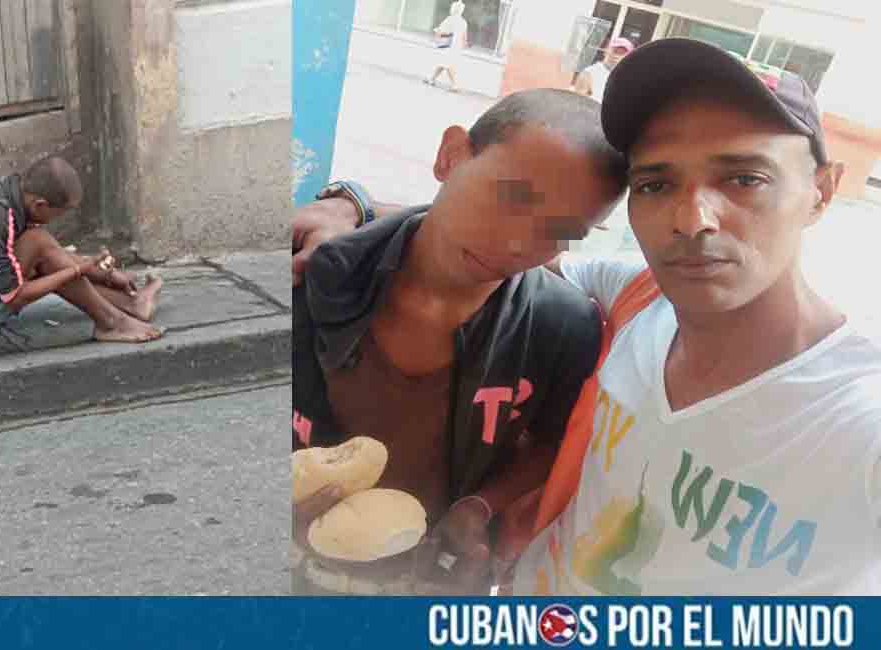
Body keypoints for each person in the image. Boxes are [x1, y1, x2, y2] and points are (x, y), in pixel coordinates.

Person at [293, 38, 881, 595]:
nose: (692, 219)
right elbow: (477, 248)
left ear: (823, 192)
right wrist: (353, 209)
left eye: (746, 178)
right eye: (657, 183)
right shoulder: (637, 299)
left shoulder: (857, 415)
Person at [292, 88, 628, 595]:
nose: (518, 244)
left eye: (560, 229)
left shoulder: (564, 325)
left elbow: (550, 439)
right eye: (510, 197)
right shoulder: (312, 275)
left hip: (426, 578)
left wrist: (481, 506)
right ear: (451, 156)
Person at [0, 156, 164, 359]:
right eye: (59, 214)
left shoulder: (9, 194)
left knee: (43, 249)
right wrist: (77, 270)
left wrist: (103, 272)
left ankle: (128, 306)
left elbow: (50, 255)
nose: (57, 220)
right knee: (40, 244)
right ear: (40, 205)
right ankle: (111, 321)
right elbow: (14, 296)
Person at [572, 37, 634, 102]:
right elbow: (577, 102)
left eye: (621, 53)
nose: (616, 56)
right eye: (615, 51)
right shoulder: (589, 73)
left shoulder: (627, 80)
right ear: (606, 51)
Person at [425, 1, 469, 92]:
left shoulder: (450, 19)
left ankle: (455, 85)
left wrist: (436, 36)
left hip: (448, 45)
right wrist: (464, 45)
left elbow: (441, 31)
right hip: (457, 46)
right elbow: (464, 36)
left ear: (453, 9)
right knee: (444, 63)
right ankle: (432, 79)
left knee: (448, 65)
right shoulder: (463, 22)